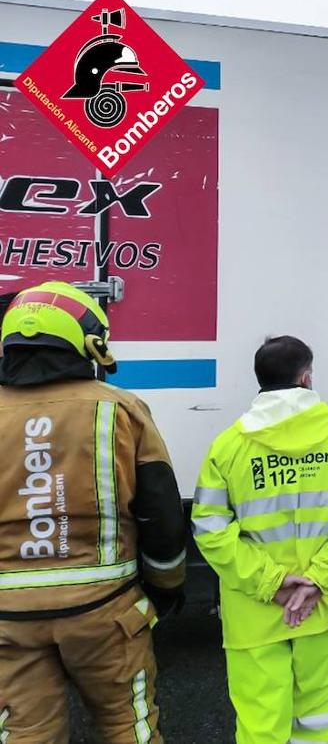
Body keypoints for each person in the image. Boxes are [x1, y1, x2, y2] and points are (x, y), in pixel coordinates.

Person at [0, 281, 185, 743]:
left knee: (26, 735)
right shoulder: (122, 409)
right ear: (89, 343)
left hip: (10, 620)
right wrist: (166, 588)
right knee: (128, 726)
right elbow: (161, 513)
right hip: (107, 612)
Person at [192, 336, 328, 744]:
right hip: (326, 607)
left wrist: (272, 582)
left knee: (261, 727)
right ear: (306, 377)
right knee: (322, 722)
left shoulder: (228, 448)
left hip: (254, 614)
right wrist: (317, 579)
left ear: (260, 380)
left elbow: (208, 527)